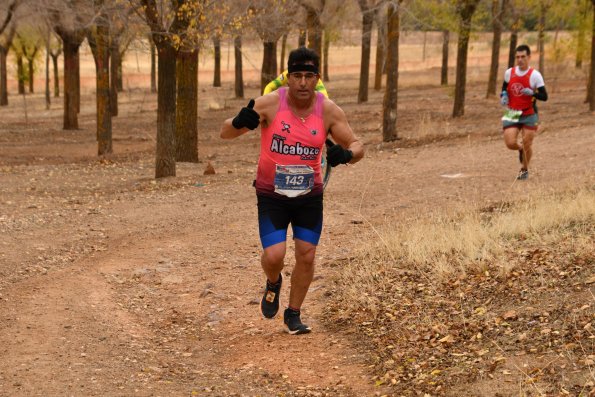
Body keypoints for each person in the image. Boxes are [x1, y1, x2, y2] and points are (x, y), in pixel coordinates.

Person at [220, 47, 364, 335]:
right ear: (288, 78)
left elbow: (359, 145)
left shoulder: (329, 111)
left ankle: (293, 313)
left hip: (309, 197)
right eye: (296, 75)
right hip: (271, 195)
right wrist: (238, 122)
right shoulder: (270, 104)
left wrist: (346, 156)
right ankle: (273, 282)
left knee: (306, 254)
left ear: (317, 78)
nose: (302, 82)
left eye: (308, 76)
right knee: (274, 256)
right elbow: (225, 132)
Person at [500, 44, 548, 180]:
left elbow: (545, 96)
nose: (520, 59)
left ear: (529, 57)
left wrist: (533, 93)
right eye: (517, 57)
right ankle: (520, 149)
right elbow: (505, 86)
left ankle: (524, 169)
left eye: (523, 57)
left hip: (529, 112)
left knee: (528, 142)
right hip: (512, 112)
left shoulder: (535, 75)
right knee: (510, 143)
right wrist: (503, 95)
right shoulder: (509, 72)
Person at [263, 69, 328, 98]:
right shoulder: (287, 73)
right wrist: (265, 101)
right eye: (297, 76)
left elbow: (325, 97)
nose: (303, 83)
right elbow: (269, 87)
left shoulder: (313, 77)